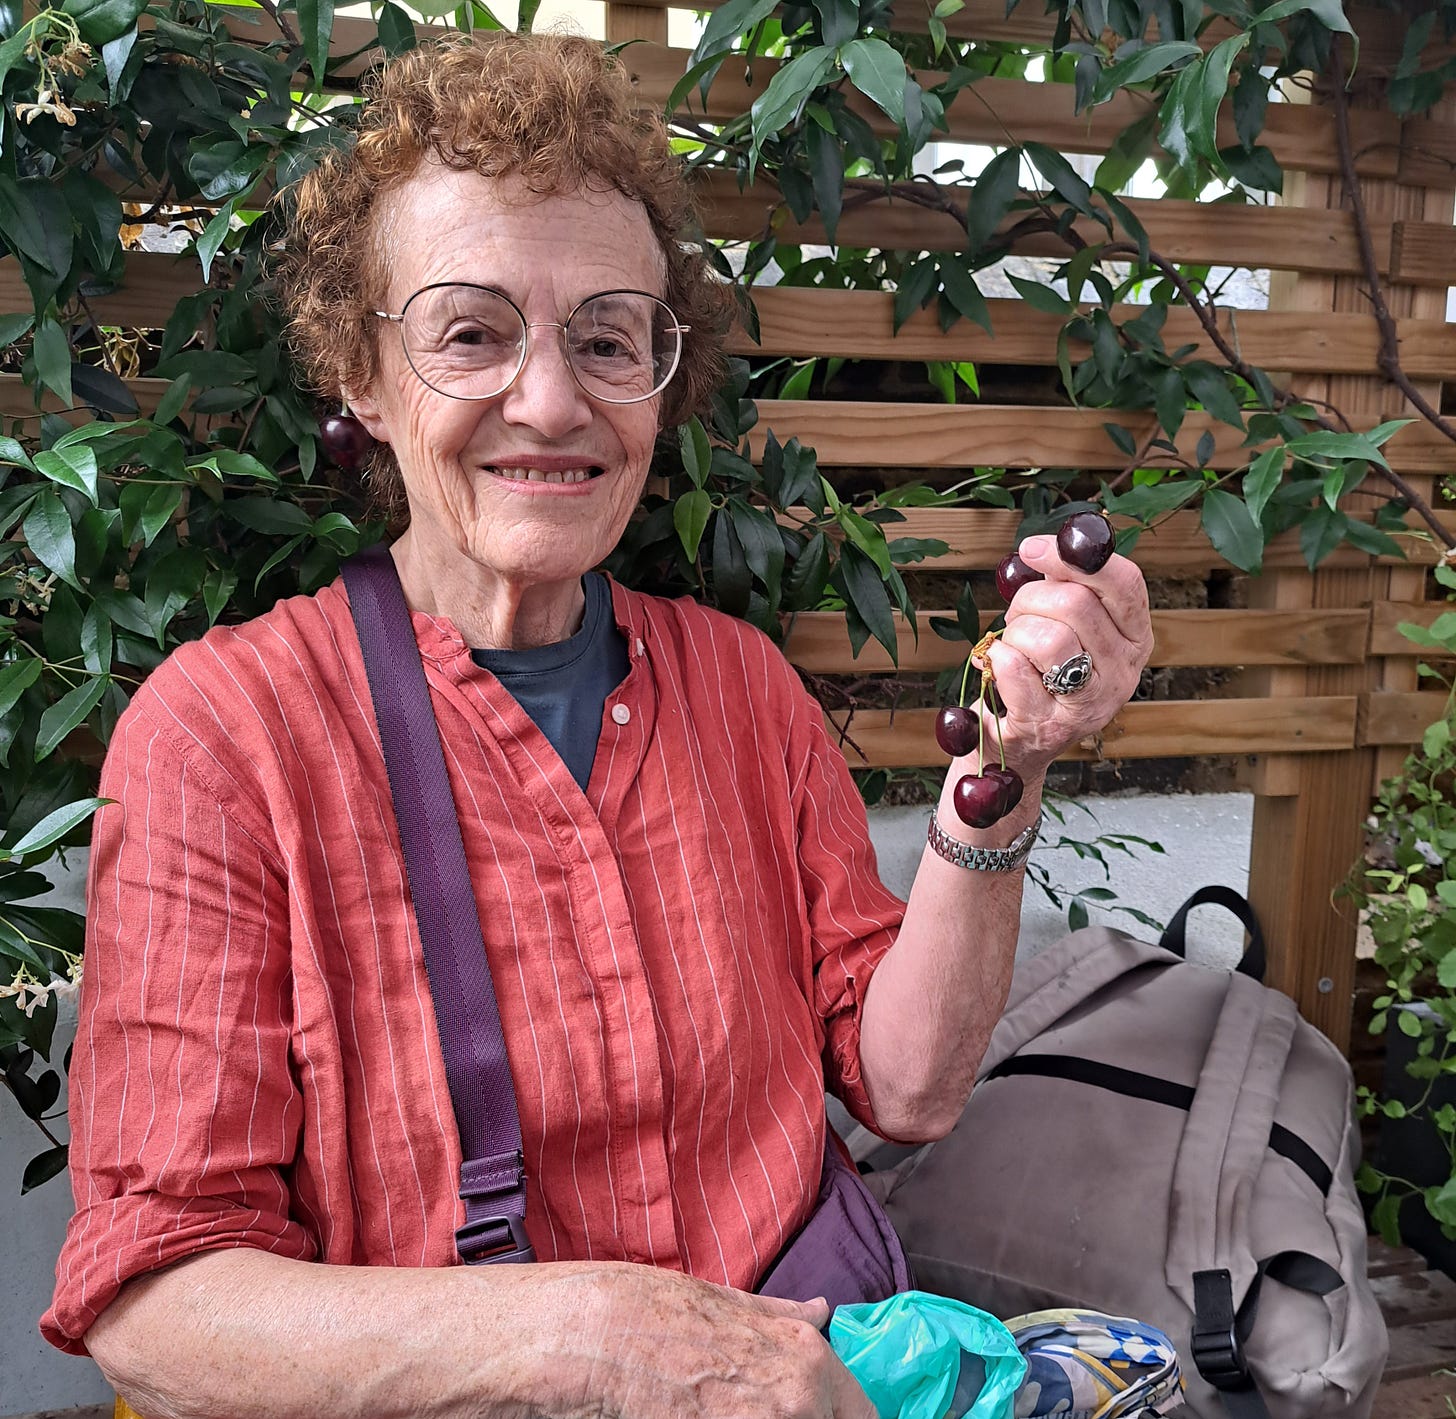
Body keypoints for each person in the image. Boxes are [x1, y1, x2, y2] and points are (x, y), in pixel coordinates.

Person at [43, 30, 1154, 1419]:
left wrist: (1008, 759)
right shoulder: (224, 737)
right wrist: (597, 1339)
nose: (555, 400)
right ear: (363, 378)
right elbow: (157, 1297)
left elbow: (905, 1085)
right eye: (472, 332)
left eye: (607, 339)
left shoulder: (740, 687)